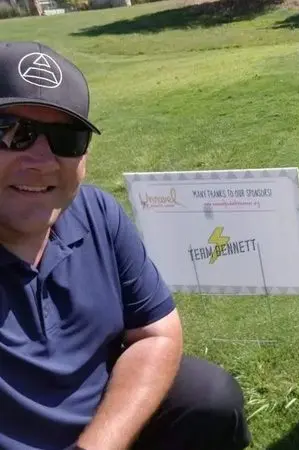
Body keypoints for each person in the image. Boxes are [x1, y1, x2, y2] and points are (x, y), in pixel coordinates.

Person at [0, 41, 252, 450]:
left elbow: (156, 334)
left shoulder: (96, 212)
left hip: (98, 431)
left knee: (208, 398)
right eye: (12, 132)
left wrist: (98, 445)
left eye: (67, 138)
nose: (42, 159)